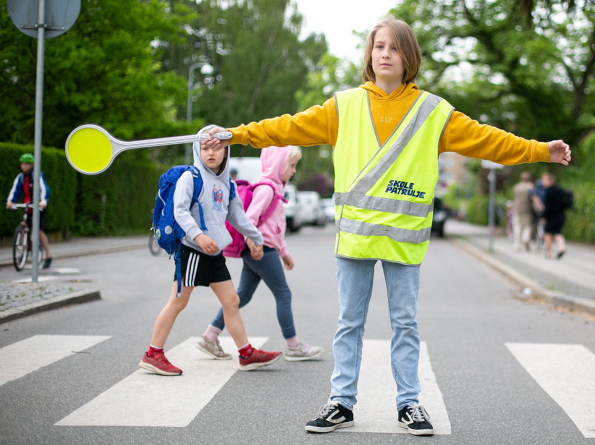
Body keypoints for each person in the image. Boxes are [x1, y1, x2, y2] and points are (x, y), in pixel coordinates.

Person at [201, 18, 571, 436]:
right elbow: (286, 127)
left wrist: (540, 150)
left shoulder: (434, 112)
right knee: (349, 323)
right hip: (355, 238)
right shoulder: (343, 106)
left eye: (394, 48)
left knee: (405, 324)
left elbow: (489, 140)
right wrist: (235, 134)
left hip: (403, 242)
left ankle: (409, 403)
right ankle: (340, 402)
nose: (384, 54)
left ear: (408, 57)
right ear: (369, 55)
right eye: (378, 47)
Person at [139, 126, 281, 376]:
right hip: (193, 251)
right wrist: (199, 235)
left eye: (216, 148)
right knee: (178, 302)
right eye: (204, 148)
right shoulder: (190, 177)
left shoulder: (228, 184)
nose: (210, 153)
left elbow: (238, 216)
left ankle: (246, 354)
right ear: (197, 149)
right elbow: (181, 210)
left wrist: (255, 238)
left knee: (232, 301)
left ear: (226, 151)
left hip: (215, 254)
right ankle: (153, 354)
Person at [196, 145, 324, 362]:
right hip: (261, 249)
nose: (293, 171)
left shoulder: (275, 188)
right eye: (291, 166)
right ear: (279, 165)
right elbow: (251, 219)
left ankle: (210, 335)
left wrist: (284, 252)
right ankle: (293, 345)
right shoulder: (267, 188)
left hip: (262, 248)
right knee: (283, 294)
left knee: (240, 297)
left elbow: (275, 227)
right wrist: (255, 243)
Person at [6, 153, 53, 268]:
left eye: (27, 164)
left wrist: (43, 201)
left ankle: (48, 255)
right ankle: (24, 251)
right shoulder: (21, 177)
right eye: (22, 164)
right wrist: (10, 201)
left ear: (31, 165)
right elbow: (15, 190)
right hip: (27, 206)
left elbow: (44, 189)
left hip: (38, 206)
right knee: (24, 227)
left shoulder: (37, 176)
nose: (24, 166)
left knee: (38, 231)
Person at [511, 172, 543, 252]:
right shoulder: (530, 187)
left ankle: (516, 245)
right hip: (527, 209)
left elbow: (514, 197)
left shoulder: (516, 186)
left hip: (517, 209)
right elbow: (534, 198)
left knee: (517, 227)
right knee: (527, 226)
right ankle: (525, 238)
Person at [540, 172, 567, 259]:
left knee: (547, 233)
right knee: (557, 232)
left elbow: (547, 206)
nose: (542, 182)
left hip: (551, 216)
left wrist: (543, 216)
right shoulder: (559, 189)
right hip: (561, 215)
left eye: (544, 180)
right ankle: (562, 247)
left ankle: (549, 252)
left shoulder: (548, 191)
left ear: (550, 181)